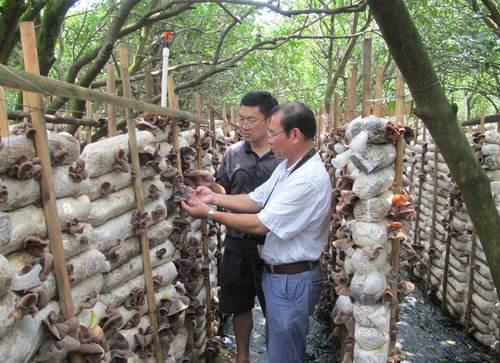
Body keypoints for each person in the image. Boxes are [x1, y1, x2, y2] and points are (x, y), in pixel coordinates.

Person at [181, 102, 332, 363]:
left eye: (273, 133)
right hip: (280, 277)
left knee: (284, 355)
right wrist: (213, 198)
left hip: (291, 281)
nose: (270, 139)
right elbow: (255, 199)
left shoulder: (307, 179)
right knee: (279, 349)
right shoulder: (288, 167)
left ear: (295, 135)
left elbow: (261, 223)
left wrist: (208, 214)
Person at [213, 91, 280, 363]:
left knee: (275, 307)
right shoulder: (233, 153)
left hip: (274, 244)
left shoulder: (283, 155)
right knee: (240, 305)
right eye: (241, 119)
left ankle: (276, 355)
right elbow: (223, 187)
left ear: (269, 120)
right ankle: (243, 357)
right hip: (238, 242)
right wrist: (211, 189)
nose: (244, 125)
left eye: (251, 120)